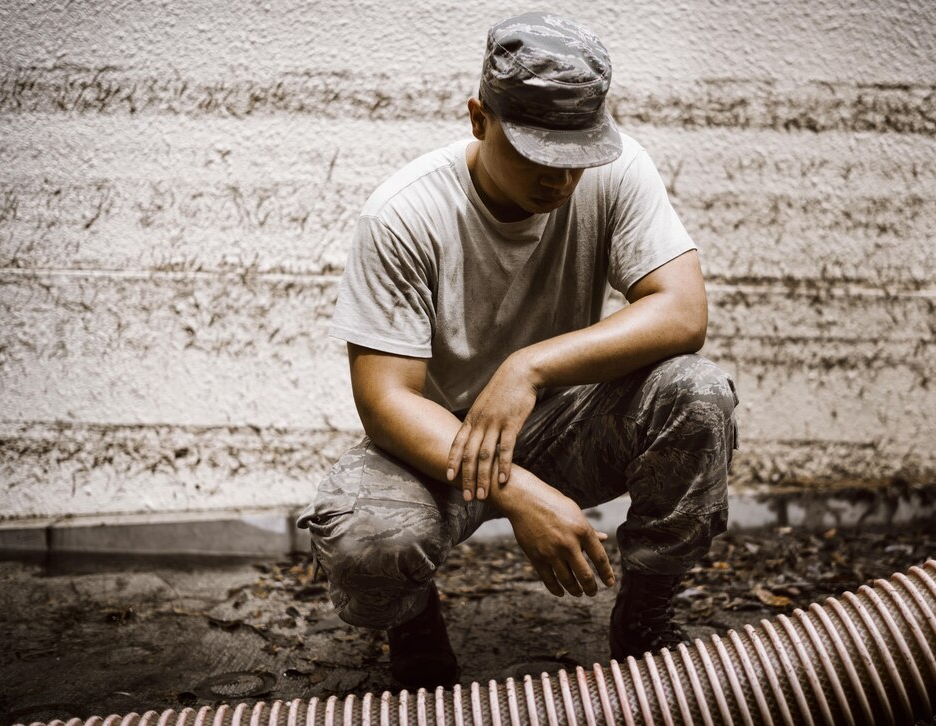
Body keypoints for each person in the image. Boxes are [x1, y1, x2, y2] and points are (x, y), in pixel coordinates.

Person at [296, 11, 738, 690]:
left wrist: (530, 367)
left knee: (697, 395)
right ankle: (414, 625)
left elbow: (682, 312)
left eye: (577, 156)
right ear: (479, 118)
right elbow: (385, 402)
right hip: (434, 448)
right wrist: (516, 489)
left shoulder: (617, 171)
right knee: (369, 541)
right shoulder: (404, 214)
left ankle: (646, 615)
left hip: (566, 425)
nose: (562, 180)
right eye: (538, 155)